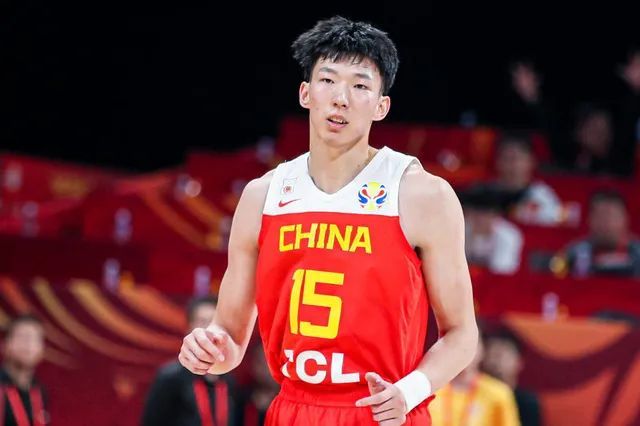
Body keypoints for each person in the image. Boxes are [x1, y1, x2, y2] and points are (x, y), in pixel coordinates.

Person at [178, 15, 478, 426]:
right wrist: (209, 349)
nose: (341, 98)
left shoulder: (423, 195)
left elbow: (462, 333)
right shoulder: (263, 196)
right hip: (292, 408)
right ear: (305, 93)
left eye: (360, 86)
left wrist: (409, 392)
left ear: (382, 106)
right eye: (328, 80)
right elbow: (228, 335)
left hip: (384, 410)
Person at [141, 295, 236, 426]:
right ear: (189, 328)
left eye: (213, 322)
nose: (209, 329)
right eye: (203, 322)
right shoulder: (170, 377)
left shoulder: (228, 379)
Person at [429, 334, 521, 426]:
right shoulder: (433, 387)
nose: (464, 351)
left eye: (471, 344)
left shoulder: (499, 393)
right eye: (458, 344)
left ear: (482, 350)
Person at [552, 189, 640, 277]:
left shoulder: (638, 253)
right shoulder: (573, 254)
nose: (606, 222)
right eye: (600, 216)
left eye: (612, 216)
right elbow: (554, 275)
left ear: (625, 219)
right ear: (589, 220)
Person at [491, 132, 562, 226]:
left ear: (531, 162)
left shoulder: (543, 195)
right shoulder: (486, 193)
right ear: (497, 162)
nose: (513, 165)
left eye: (517, 158)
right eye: (506, 158)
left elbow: (557, 219)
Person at [482, 328, 541, 426]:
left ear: (519, 362)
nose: (496, 362)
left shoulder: (527, 403)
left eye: (501, 355)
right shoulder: (475, 396)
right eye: (492, 353)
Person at [461, 184, 524, 275]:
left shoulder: (509, 235)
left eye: (485, 214)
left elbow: (502, 271)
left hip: (496, 282)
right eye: (475, 213)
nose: (479, 219)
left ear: (495, 215)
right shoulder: (461, 229)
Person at [0, 314, 49, 426]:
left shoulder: (39, 392)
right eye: (22, 337)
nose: (29, 345)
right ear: (4, 345)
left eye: (35, 339)